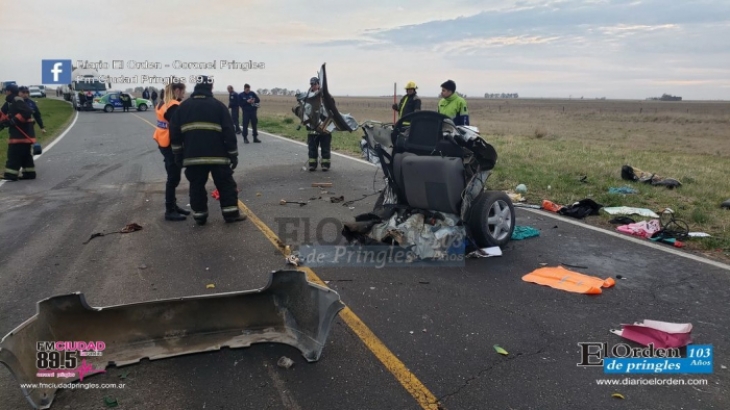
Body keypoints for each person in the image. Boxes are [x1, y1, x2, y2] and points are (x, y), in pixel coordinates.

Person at [170, 76, 245, 225]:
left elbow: (174, 133)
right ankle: (231, 215)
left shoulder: (183, 108)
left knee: (196, 186)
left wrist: (178, 155)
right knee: (225, 185)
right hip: (218, 157)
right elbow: (229, 132)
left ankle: (200, 216)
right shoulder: (219, 106)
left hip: (193, 157)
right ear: (210, 88)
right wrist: (233, 155)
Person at [153, 82, 190, 221]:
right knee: (173, 177)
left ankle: (173, 206)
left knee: (172, 175)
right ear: (177, 90)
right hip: (169, 145)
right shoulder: (173, 106)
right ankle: (169, 210)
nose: (184, 93)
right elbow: (177, 128)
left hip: (162, 142)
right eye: (183, 91)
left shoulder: (162, 103)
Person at [0, 84, 35, 181]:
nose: (5, 92)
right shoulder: (10, 102)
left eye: (6, 90)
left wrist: (14, 120)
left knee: (13, 154)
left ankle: (10, 174)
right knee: (24, 154)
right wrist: (3, 123)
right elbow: (2, 114)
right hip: (24, 134)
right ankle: (29, 173)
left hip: (21, 134)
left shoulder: (17, 100)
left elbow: (27, 112)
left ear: (9, 91)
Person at [303, 77, 331, 171]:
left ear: (318, 84)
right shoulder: (308, 96)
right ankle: (312, 164)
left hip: (325, 125)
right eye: (311, 84)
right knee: (312, 148)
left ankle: (325, 165)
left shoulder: (325, 96)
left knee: (325, 147)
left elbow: (330, 110)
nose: (313, 86)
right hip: (312, 127)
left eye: (315, 84)